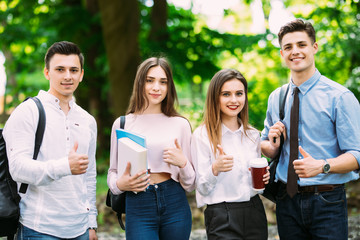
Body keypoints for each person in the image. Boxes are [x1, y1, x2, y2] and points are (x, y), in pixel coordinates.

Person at [261, 19, 360, 239]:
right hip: (286, 201)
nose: (294, 51)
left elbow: (357, 155)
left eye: (301, 44)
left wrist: (322, 166)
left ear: (314, 47)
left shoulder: (340, 97)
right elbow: (266, 147)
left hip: (327, 201)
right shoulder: (276, 97)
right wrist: (272, 142)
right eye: (288, 47)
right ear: (281, 53)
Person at [3, 41, 98, 240]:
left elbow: (89, 175)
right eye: (60, 69)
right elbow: (18, 168)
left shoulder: (87, 120)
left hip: (80, 229)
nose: (67, 76)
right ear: (47, 73)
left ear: (81, 74)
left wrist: (91, 223)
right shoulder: (28, 112)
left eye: (74, 70)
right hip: (38, 229)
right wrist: (64, 166)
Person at [107, 57, 195, 240]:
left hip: (175, 202)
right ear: (140, 83)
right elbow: (113, 172)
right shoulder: (122, 124)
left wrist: (183, 163)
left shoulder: (180, 125)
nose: (157, 87)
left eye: (163, 82)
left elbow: (191, 184)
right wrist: (120, 185)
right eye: (150, 80)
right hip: (138, 202)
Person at [191, 69, 270, 240]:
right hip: (221, 214)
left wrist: (264, 178)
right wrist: (215, 169)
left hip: (254, 211)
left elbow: (256, 184)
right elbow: (202, 188)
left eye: (239, 93)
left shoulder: (252, 135)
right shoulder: (202, 135)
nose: (234, 100)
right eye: (226, 94)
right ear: (215, 98)